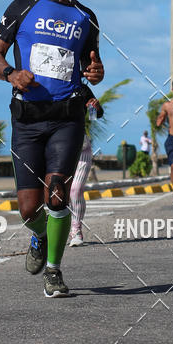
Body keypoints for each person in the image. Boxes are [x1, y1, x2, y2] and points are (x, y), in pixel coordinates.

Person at [0, 0, 104, 297]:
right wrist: (10, 73)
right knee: (28, 208)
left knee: (57, 194)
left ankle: (54, 271)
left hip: (66, 118)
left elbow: (92, 64)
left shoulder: (86, 17)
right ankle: (38, 234)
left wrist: (96, 71)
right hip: (27, 119)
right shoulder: (21, 8)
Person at [68, 95, 102, 247]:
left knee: (75, 190)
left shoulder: (80, 88)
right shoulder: (47, 85)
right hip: (55, 148)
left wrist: (96, 107)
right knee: (56, 193)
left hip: (81, 148)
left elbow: (97, 113)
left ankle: (76, 230)